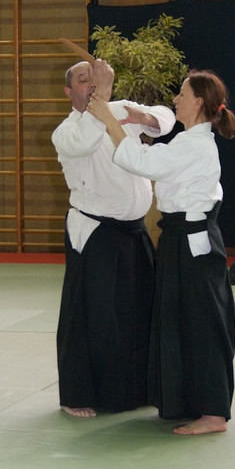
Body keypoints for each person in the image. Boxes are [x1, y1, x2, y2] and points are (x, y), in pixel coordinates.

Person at [87, 70, 235, 435]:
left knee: (202, 323)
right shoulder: (188, 142)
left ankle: (214, 414)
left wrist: (110, 120)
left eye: (182, 94)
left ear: (198, 102)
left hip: (192, 240)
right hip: (179, 237)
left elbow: (144, 162)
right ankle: (186, 401)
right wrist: (140, 119)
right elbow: (154, 159)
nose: (175, 99)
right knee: (180, 321)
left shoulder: (195, 145)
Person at [52, 59, 175, 417]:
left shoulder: (120, 110)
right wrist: (103, 97)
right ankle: (77, 395)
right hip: (94, 233)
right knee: (92, 317)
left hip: (134, 230)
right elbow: (85, 142)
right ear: (69, 91)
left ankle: (134, 390)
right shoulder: (66, 131)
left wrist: (145, 117)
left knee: (138, 313)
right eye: (83, 80)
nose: (90, 84)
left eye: (94, 78)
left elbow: (166, 118)